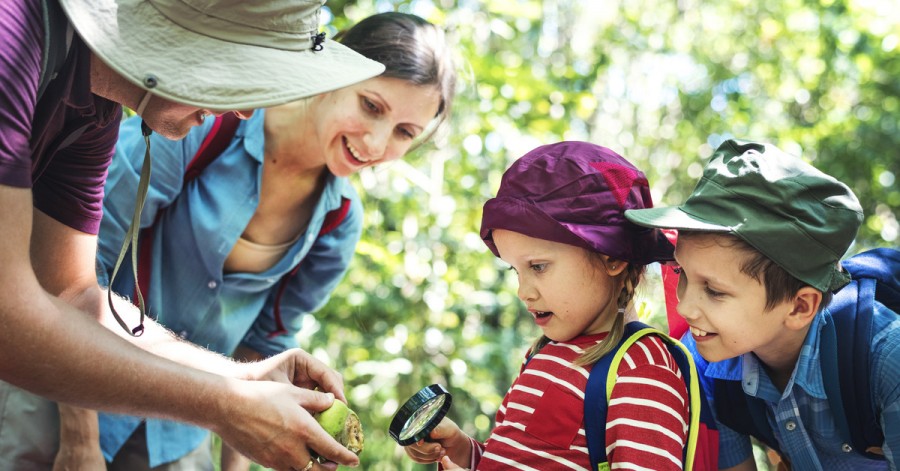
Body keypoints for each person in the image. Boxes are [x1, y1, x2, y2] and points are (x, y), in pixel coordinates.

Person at [0, 0, 385, 469]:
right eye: (246, 72)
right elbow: (8, 319)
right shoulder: (12, 41)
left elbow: (74, 294)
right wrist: (223, 406)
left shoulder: (92, 112)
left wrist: (241, 379)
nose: (246, 110)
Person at [68, 12, 454, 470]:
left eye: (405, 132)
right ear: (335, 74)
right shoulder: (204, 125)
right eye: (371, 106)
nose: (375, 143)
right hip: (72, 388)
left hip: (183, 428)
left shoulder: (340, 222)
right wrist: (79, 439)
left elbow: (262, 347)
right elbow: (82, 268)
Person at [404, 141, 692, 470]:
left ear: (611, 256)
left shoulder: (641, 368)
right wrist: (460, 449)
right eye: (516, 270)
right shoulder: (541, 354)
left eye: (538, 266)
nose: (522, 291)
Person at [624, 139, 900, 470]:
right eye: (681, 272)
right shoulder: (706, 365)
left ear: (799, 307)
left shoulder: (884, 360)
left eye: (714, 290)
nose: (684, 307)